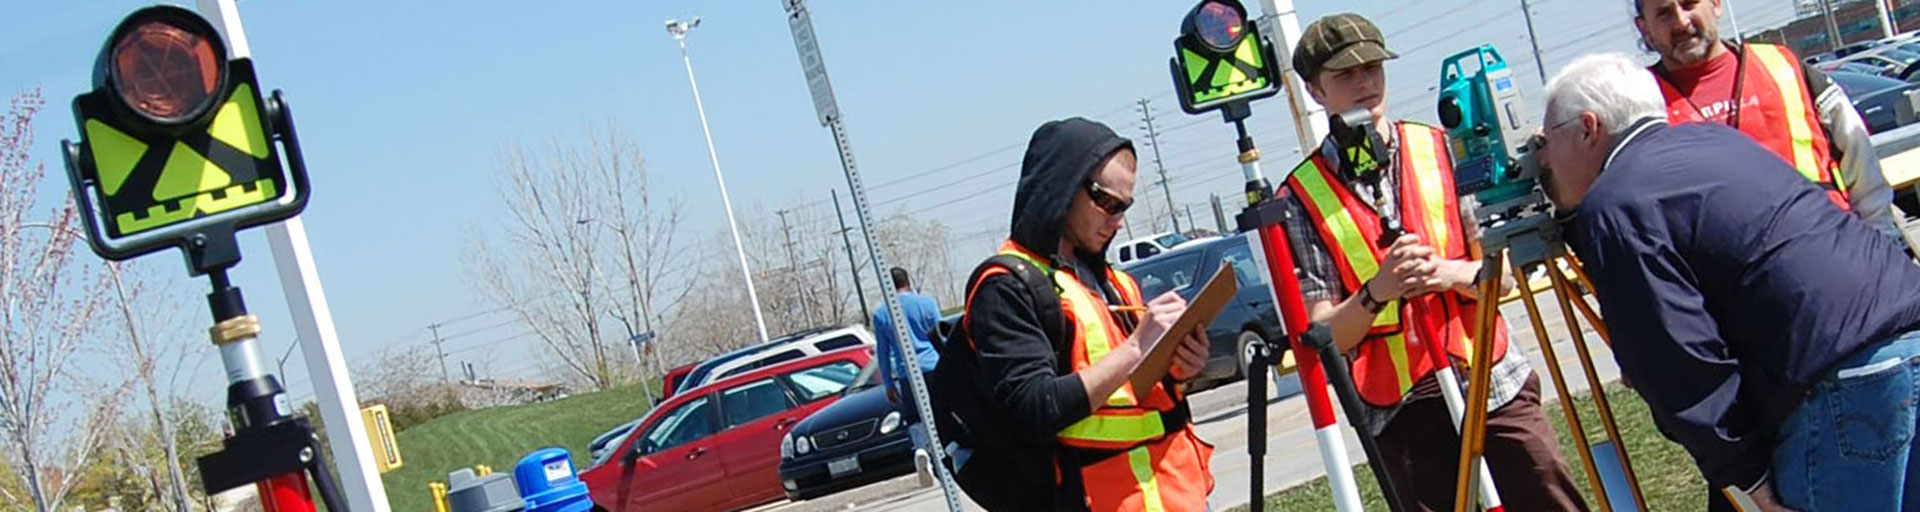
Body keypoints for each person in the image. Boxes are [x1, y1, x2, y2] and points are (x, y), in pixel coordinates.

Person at [1540, 52, 1920, 512]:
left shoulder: (1617, 201)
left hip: (1845, 386)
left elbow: (1677, 362)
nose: (1543, 156)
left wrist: (1750, 480)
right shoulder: (1717, 142)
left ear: (1587, 127)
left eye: (1547, 138)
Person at [1276, 13, 1588, 511]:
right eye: (1346, 75)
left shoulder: (1442, 149)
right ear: (1315, 91)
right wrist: (1379, 290)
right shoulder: (1299, 197)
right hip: (1400, 405)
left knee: (1549, 492)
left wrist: (1447, 273)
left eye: (1373, 68)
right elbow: (1323, 335)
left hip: (1488, 375)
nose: (1365, 83)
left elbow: (1501, 277)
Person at [959, 117, 1214, 511]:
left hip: (1176, 494)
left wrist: (1180, 369)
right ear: (1062, 187)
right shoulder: (1006, 286)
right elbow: (1036, 408)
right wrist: (1137, 347)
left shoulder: (1115, 282)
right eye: (1106, 202)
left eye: (1124, 206)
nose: (1117, 219)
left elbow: (1137, 394)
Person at [1633, 0, 1900, 239]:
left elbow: (1857, 152)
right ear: (1645, 29)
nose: (1681, 21)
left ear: (1715, 4)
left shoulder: (1782, 65)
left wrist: (1884, 236)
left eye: (1689, 3)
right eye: (1664, 14)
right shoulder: (1641, 104)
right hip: (1737, 279)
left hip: (1835, 249)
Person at [870, 266, 941, 484]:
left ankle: (921, 449)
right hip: (934, 366)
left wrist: (888, 384)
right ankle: (946, 453)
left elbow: (882, 352)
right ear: (907, 282)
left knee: (915, 417)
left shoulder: (882, 314)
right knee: (941, 412)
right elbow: (941, 335)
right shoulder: (926, 303)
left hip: (908, 373)